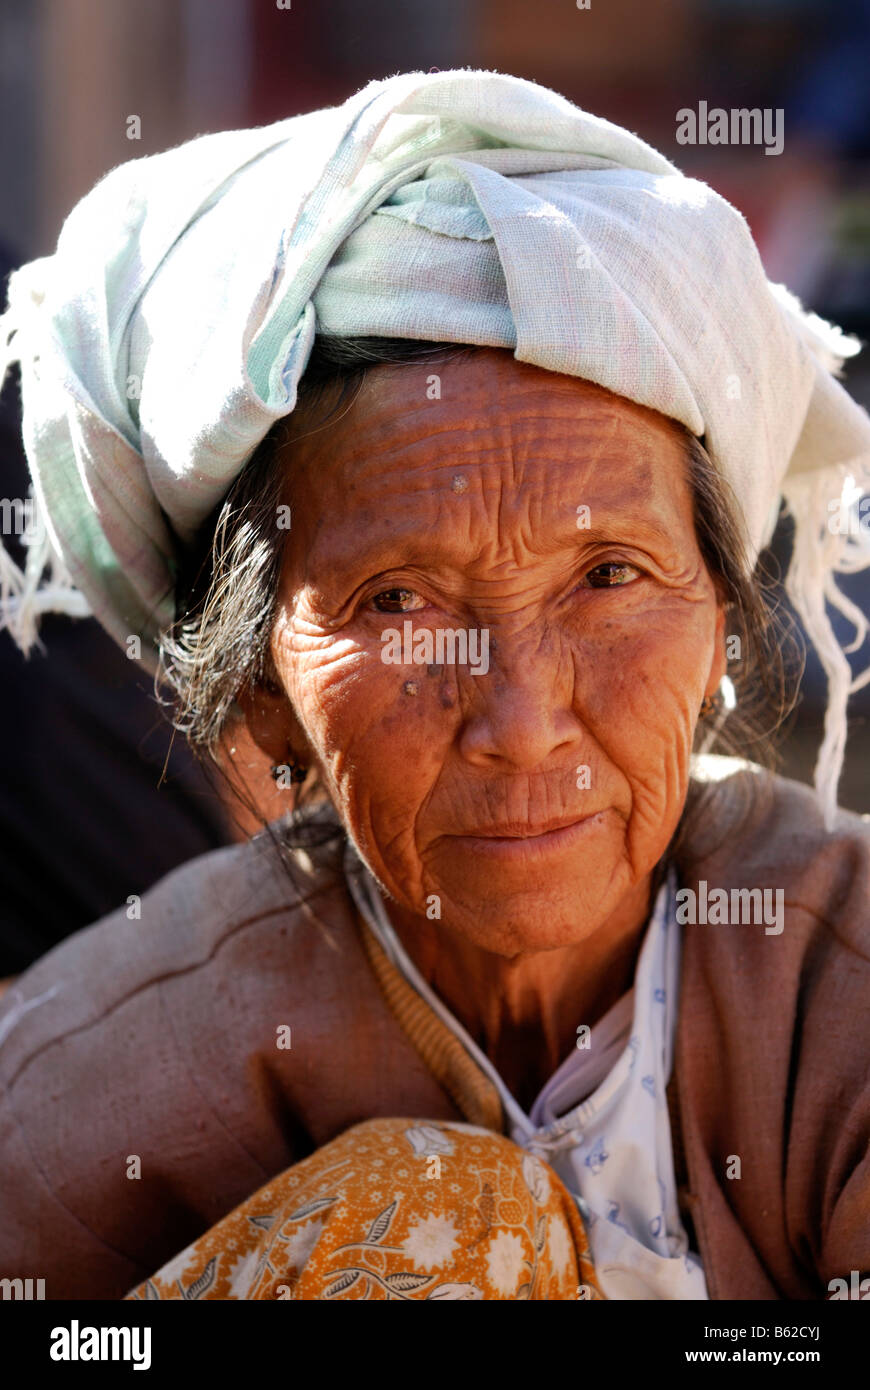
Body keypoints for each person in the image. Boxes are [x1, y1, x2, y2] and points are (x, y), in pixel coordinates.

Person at [0, 69, 868, 1302]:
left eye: (610, 575)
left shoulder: (837, 980)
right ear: (259, 695)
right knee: (436, 1221)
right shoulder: (103, 1077)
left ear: (721, 614)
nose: (521, 724)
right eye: (400, 604)